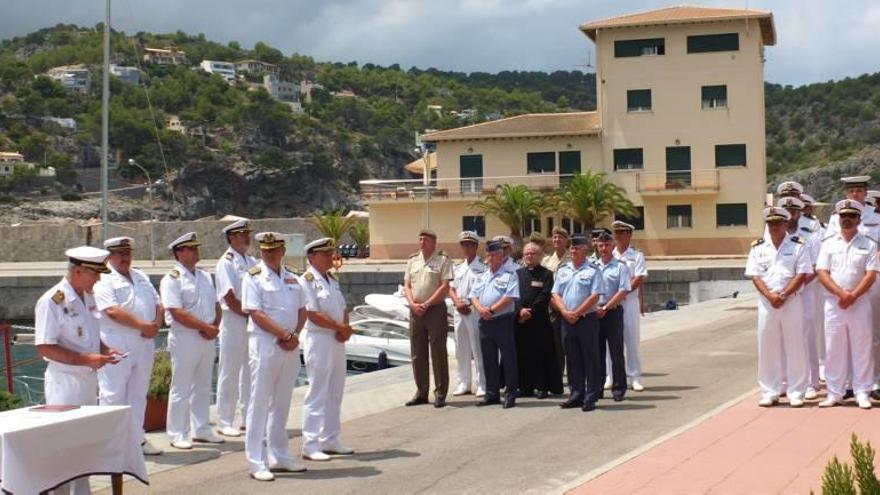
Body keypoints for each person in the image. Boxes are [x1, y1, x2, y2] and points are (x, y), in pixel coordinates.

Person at [35, 246, 122, 495]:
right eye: (95, 274)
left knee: (84, 447)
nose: (98, 279)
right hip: (65, 385)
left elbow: (92, 334)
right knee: (62, 448)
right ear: (79, 271)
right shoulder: (52, 301)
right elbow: (45, 347)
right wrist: (86, 359)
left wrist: (106, 350)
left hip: (87, 381)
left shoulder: (87, 295)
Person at [241, 232, 308, 481]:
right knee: (259, 403)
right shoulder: (253, 277)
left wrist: (295, 334)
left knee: (281, 403)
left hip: (289, 345)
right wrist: (284, 334)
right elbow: (254, 312)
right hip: (265, 344)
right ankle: (256, 461)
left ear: (282, 251)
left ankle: (279, 455)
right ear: (261, 252)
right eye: (265, 250)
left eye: (274, 250)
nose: (269, 254)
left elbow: (302, 310)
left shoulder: (292, 278)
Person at [95, 237, 164, 456]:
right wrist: (143, 325)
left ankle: (137, 439)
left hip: (144, 341)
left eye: (128, 253)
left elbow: (158, 303)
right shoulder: (103, 279)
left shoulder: (140, 276)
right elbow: (111, 310)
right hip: (117, 341)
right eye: (120, 253)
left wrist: (156, 325)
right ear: (109, 256)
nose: (125, 257)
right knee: (113, 393)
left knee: (138, 392)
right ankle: (111, 443)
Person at [160, 232, 225, 449]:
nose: (197, 252)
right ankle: (177, 432)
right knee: (181, 387)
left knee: (204, 385)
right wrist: (205, 327)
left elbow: (216, 305)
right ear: (179, 253)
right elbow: (176, 312)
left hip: (207, 336)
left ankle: (202, 429)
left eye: (196, 248)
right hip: (185, 336)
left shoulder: (205, 276)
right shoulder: (171, 279)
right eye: (191, 248)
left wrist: (214, 326)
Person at [745, 207, 812, 407]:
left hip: (791, 301)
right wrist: (769, 295)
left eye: (778, 223)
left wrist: (783, 295)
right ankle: (769, 390)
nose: (774, 227)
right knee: (767, 346)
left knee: (796, 346)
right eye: (771, 223)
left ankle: (797, 391)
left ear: (786, 224)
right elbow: (754, 275)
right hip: (767, 304)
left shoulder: (798, 245)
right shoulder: (758, 247)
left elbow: (802, 274)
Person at [816, 200, 879, 409]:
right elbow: (822, 272)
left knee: (862, 347)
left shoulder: (868, 244)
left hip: (860, 303)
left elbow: (871, 274)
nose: (847, 220)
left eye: (851, 217)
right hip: (834, 304)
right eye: (843, 217)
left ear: (859, 220)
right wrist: (841, 294)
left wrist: (853, 296)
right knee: (834, 348)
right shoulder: (829, 244)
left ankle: (862, 391)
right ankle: (835, 392)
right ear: (838, 219)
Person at [299, 237, 355, 462]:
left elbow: (342, 307)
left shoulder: (332, 279)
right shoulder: (307, 280)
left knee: (335, 390)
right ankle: (310, 443)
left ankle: (330, 438)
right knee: (318, 391)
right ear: (312, 257)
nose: (329, 257)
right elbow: (312, 313)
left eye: (330, 253)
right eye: (324, 254)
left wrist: (345, 328)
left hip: (336, 339)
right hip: (319, 338)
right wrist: (339, 327)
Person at [214, 219, 258, 438]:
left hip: (251, 321)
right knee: (229, 371)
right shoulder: (226, 262)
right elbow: (229, 297)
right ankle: (225, 420)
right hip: (234, 320)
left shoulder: (251, 261)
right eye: (242, 234)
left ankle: (248, 418)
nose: (247, 237)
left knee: (249, 372)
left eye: (247, 233)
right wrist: (250, 314)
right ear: (232, 237)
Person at [551, 235, 603, 412]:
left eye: (577, 248)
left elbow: (595, 295)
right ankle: (576, 394)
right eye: (571, 248)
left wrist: (578, 312)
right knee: (572, 359)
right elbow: (555, 294)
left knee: (590, 358)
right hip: (567, 320)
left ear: (585, 250)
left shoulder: (593, 270)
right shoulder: (563, 269)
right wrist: (565, 312)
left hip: (586, 319)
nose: (573, 251)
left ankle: (591, 396)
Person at [777, 197, 822, 399]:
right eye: (787, 211)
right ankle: (785, 380)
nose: (791, 215)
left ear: (800, 211)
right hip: (784, 293)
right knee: (783, 336)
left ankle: (812, 382)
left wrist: (798, 285)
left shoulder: (812, 228)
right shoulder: (777, 231)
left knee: (806, 337)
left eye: (794, 211)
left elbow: (818, 263)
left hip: (806, 290)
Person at [403, 229, 453, 408]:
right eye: (420, 239)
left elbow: (445, 286)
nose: (422, 242)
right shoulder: (412, 260)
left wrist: (427, 303)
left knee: (438, 352)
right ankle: (421, 392)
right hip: (416, 311)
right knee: (417, 353)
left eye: (425, 239)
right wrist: (412, 304)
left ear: (434, 242)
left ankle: (440, 392)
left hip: (434, 310)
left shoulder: (443, 260)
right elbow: (407, 285)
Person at [470, 240, 520, 408]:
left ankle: (510, 394)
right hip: (484, 322)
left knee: (508, 359)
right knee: (488, 358)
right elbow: (474, 296)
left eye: (495, 255)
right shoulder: (482, 276)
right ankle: (492, 394)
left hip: (502, 320)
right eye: (489, 255)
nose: (491, 258)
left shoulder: (510, 274)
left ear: (502, 256)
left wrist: (490, 310)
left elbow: (509, 297)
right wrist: (481, 310)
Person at [514, 241, 561, 398]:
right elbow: (513, 295)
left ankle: (542, 387)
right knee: (523, 354)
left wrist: (530, 312)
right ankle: (525, 387)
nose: (529, 256)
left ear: (539, 256)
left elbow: (545, 295)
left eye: (532, 253)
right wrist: (520, 311)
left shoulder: (546, 274)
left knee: (541, 354)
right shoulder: (518, 274)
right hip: (521, 321)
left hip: (539, 320)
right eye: (526, 253)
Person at [593, 230, 631, 401]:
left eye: (607, 244)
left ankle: (618, 388)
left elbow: (623, 290)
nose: (604, 248)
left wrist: (607, 307)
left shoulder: (621, 266)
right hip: (594, 313)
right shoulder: (592, 266)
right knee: (597, 352)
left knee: (616, 352)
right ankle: (598, 387)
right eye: (601, 245)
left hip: (613, 312)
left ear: (613, 246)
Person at [449, 231, 488, 397]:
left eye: (470, 244)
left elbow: (485, 289)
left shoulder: (483, 268)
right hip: (459, 311)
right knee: (461, 349)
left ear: (476, 246)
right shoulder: (458, 267)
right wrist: (457, 302)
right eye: (464, 244)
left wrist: (470, 303)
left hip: (474, 311)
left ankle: (482, 384)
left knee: (478, 348)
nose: (467, 247)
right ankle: (464, 382)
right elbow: (451, 288)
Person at [611, 221, 648, 392]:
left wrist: (622, 293)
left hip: (629, 303)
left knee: (632, 341)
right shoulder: (609, 255)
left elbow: (638, 278)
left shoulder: (637, 256)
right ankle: (609, 376)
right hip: (611, 304)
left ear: (629, 235)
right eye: (616, 233)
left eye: (622, 233)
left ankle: (634, 377)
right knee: (610, 341)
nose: (618, 236)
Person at [542, 226, 571, 387]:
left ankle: (576, 376)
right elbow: (545, 286)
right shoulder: (546, 261)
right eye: (554, 237)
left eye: (560, 237)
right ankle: (557, 377)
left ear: (566, 240)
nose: (557, 240)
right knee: (555, 346)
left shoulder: (571, 259)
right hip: (552, 308)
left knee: (570, 345)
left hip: (569, 306)